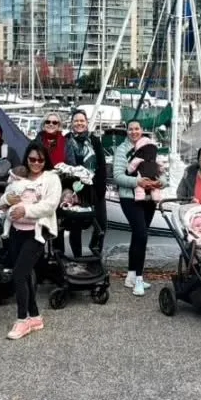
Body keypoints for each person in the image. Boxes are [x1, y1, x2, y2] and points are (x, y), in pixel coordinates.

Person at [0, 145, 61, 339]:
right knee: (24, 274)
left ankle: (22, 320)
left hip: (36, 233)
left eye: (40, 160)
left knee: (18, 274)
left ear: (45, 161)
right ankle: (34, 316)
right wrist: (8, 199)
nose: (36, 163)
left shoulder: (51, 179)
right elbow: (5, 197)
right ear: (27, 158)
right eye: (32, 159)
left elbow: (50, 205)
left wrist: (25, 210)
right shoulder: (18, 175)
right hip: (16, 230)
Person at [114, 120, 162, 297]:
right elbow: (118, 176)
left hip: (149, 197)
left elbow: (160, 170)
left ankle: (131, 275)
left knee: (139, 236)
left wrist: (160, 183)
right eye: (130, 129)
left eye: (137, 128)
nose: (134, 132)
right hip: (129, 197)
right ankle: (139, 279)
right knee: (141, 234)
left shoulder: (150, 146)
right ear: (126, 131)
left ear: (142, 130)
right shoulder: (122, 150)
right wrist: (138, 181)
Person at [62, 110, 108, 256]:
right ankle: (78, 257)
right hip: (74, 188)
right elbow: (64, 165)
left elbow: (101, 165)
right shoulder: (66, 140)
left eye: (82, 121)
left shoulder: (94, 140)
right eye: (76, 121)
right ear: (71, 123)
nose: (79, 123)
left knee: (101, 223)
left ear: (87, 123)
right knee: (75, 224)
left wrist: (100, 188)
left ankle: (95, 250)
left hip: (94, 187)